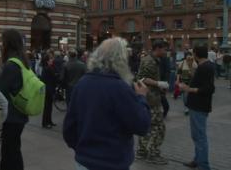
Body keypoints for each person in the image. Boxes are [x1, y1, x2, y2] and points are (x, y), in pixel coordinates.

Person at [63, 38, 151, 170]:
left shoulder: (82, 83)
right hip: (112, 163)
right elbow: (142, 126)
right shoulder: (120, 88)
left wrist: (83, 150)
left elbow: (69, 129)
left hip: (84, 162)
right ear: (120, 60)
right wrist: (142, 97)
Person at [0, 29, 29, 170]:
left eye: (2, 41)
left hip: (11, 116)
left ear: (7, 44)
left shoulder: (11, 65)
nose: (1, 45)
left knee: (10, 152)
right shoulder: (22, 61)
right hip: (20, 113)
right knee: (14, 150)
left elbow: (0, 92)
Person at [179, 46, 215, 170]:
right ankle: (197, 160)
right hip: (198, 105)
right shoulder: (206, 66)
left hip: (199, 106)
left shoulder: (205, 67)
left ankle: (204, 165)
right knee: (197, 136)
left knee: (200, 137)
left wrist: (188, 89)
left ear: (195, 54)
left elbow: (209, 89)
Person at [136, 40, 169, 165]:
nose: (166, 51)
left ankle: (141, 152)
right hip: (151, 99)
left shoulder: (152, 60)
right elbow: (142, 78)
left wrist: (159, 86)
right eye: (165, 49)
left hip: (150, 97)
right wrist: (158, 84)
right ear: (158, 49)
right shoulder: (150, 61)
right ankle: (153, 154)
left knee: (148, 126)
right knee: (159, 127)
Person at [40, 52, 56, 129]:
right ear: (47, 61)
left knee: (49, 106)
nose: (52, 60)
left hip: (48, 89)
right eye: (51, 59)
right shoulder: (48, 68)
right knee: (47, 107)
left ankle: (49, 121)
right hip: (48, 89)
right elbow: (53, 78)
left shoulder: (46, 68)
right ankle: (45, 122)